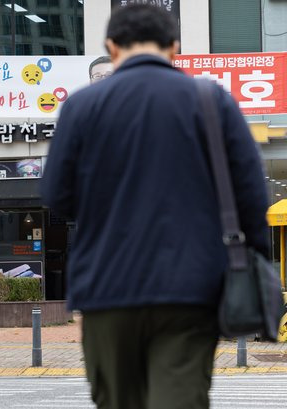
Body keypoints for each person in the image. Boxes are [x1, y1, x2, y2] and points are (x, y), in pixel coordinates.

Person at [42, 5, 269, 409]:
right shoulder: (211, 101)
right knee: (179, 399)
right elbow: (251, 196)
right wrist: (255, 265)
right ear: (174, 47)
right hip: (190, 287)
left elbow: (58, 197)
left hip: (105, 287)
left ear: (111, 47)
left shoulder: (82, 107)